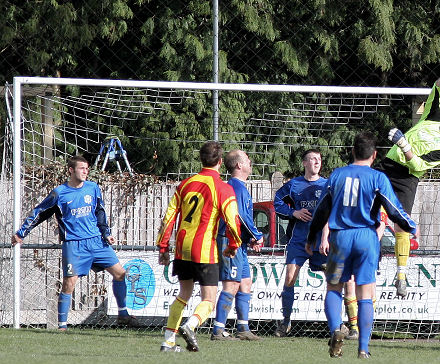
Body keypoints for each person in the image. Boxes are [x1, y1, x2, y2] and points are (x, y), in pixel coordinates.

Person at [307, 132, 416, 359]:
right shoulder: (378, 178)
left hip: (341, 238)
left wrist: (312, 237)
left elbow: (321, 210)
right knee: (365, 294)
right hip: (366, 238)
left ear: (352, 152)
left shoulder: (337, 175)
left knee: (334, 287)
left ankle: (337, 329)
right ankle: (363, 349)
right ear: (374, 155)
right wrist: (411, 226)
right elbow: (394, 210)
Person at [12, 155, 138, 330]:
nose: (85, 171)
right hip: (74, 244)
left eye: (87, 168)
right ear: (71, 170)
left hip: (97, 241)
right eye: (81, 168)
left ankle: (123, 314)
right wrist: (22, 232)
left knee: (120, 274)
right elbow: (40, 212)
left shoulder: (93, 188)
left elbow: (100, 212)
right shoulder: (59, 193)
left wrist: (106, 233)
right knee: (69, 283)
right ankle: (62, 326)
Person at [376, 64, 440, 297]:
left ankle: (401, 275)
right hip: (387, 167)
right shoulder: (432, 116)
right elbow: (438, 90)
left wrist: (403, 144)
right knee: (371, 214)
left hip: (406, 179)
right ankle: (370, 258)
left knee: (402, 225)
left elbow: (417, 165)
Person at [156, 141, 242, 352]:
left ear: (201, 159)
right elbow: (232, 221)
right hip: (204, 249)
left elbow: (168, 218)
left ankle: (168, 341)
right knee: (209, 299)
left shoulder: (185, 184)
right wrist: (234, 244)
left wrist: (163, 247)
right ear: (220, 162)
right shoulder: (223, 188)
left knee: (183, 293)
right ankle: (191, 325)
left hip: (182, 247)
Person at [274, 149, 359, 339]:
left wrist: (326, 236)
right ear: (304, 163)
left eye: (319, 159)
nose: (316, 162)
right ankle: (285, 322)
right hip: (299, 241)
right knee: (289, 277)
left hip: (324, 242)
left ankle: (342, 326)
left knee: (337, 282)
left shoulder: (327, 184)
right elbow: (277, 202)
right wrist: (293, 213)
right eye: (312, 159)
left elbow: (336, 210)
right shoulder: (293, 184)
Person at [211, 150, 264, 341]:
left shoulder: (240, 186)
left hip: (239, 241)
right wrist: (257, 236)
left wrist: (249, 238)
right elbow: (240, 216)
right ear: (239, 165)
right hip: (229, 240)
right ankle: (218, 330)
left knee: (245, 283)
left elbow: (241, 219)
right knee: (231, 284)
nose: (250, 162)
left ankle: (243, 328)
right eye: (247, 160)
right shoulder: (236, 187)